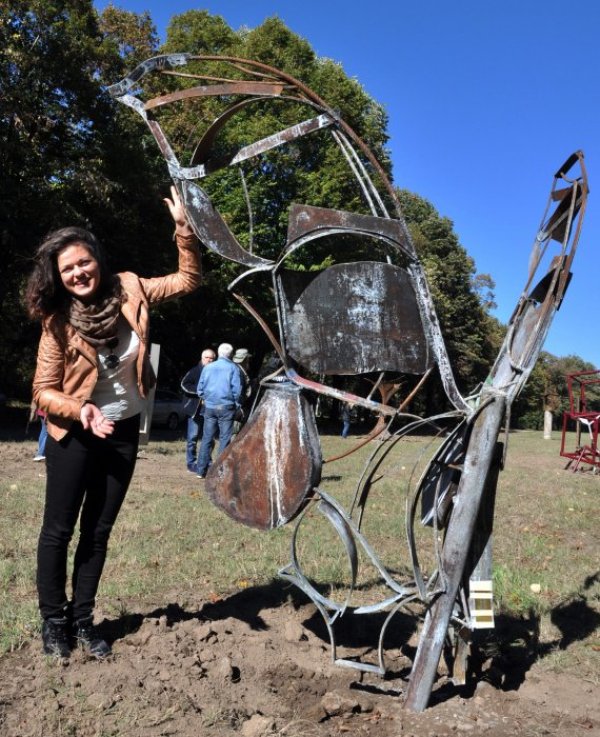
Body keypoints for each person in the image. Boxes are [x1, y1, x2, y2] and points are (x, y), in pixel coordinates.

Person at [25, 186, 201, 660]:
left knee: (98, 531)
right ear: (59, 278)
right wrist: (80, 409)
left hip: (122, 429)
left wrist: (184, 228)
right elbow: (42, 391)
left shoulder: (131, 288)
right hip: (75, 432)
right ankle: (54, 622)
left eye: (83, 262)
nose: (79, 273)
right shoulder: (57, 323)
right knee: (58, 530)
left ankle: (83, 620)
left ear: (96, 260)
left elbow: (187, 280)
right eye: (68, 270)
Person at [195, 343, 242, 479]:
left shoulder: (208, 367)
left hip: (210, 407)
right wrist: (237, 404)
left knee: (206, 438)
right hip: (227, 407)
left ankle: (201, 471)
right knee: (224, 439)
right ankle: (219, 472)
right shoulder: (233, 368)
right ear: (231, 354)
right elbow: (237, 391)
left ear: (219, 353)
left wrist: (206, 398)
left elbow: (200, 389)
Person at [180, 348, 216, 473]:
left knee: (209, 438)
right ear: (202, 358)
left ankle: (207, 462)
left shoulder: (216, 373)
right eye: (207, 358)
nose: (209, 360)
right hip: (195, 410)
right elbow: (184, 384)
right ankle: (191, 463)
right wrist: (199, 391)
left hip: (209, 410)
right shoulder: (194, 371)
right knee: (192, 438)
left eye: (212, 358)